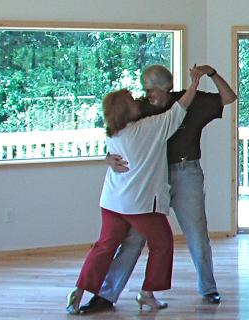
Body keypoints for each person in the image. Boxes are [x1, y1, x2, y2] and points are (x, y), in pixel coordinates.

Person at [79, 64, 237, 314]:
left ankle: (208, 288)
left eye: (151, 90)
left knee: (197, 234)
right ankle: (106, 295)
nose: (147, 96)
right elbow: (114, 130)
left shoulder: (192, 101)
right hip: (150, 181)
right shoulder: (139, 108)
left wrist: (212, 74)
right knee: (132, 240)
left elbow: (229, 98)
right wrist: (106, 157)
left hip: (186, 173)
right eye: (145, 91)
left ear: (166, 88)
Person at [66, 71, 201, 314]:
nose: (138, 98)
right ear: (127, 110)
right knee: (162, 244)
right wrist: (195, 84)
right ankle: (147, 294)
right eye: (132, 99)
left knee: (103, 247)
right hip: (140, 205)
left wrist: (105, 159)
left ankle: (79, 290)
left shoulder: (112, 132)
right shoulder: (147, 129)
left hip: (111, 202)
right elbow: (180, 108)